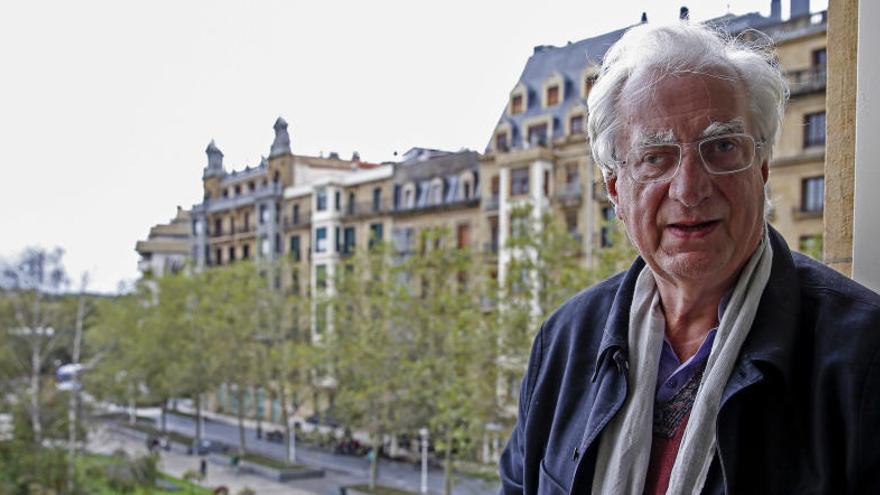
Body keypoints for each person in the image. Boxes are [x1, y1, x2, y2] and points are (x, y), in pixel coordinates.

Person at [499, 21, 880, 494]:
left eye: (722, 147)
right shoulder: (564, 340)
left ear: (761, 167)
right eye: (656, 157)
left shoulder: (865, 356)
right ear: (615, 188)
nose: (690, 189)